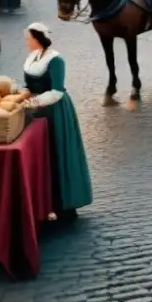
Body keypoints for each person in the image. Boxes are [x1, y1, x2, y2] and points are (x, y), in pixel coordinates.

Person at [22, 23, 93, 222]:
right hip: (34, 112)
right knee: (41, 154)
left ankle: (65, 205)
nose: (27, 42)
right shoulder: (32, 58)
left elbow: (57, 91)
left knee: (57, 152)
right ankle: (45, 204)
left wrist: (33, 102)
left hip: (56, 111)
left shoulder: (55, 60)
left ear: (38, 39)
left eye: (29, 38)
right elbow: (29, 85)